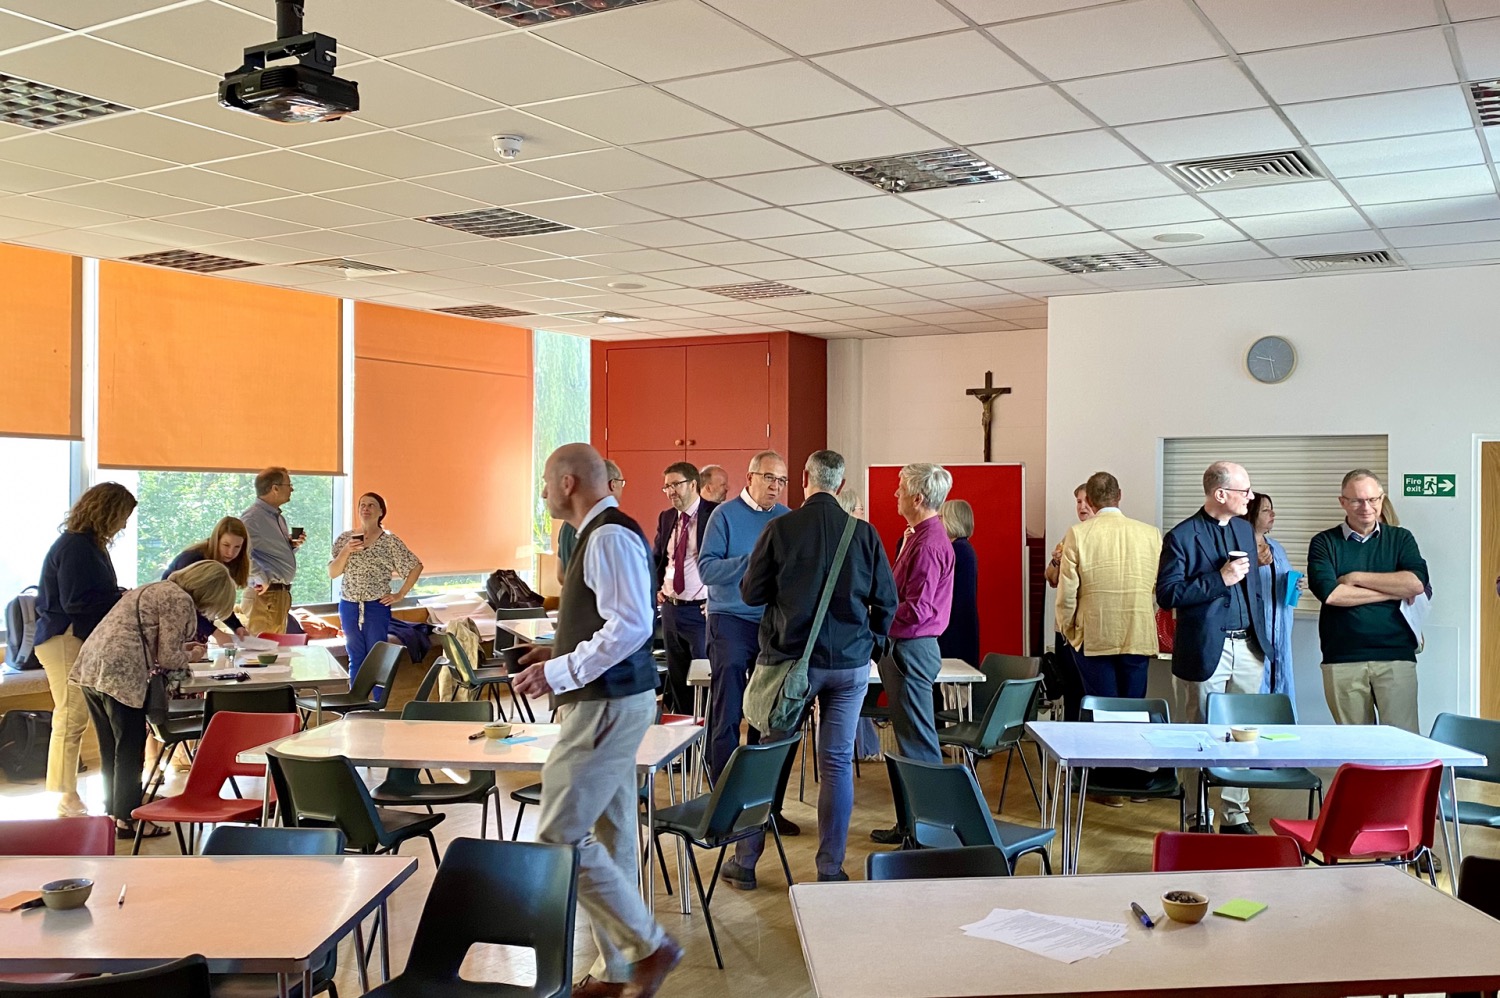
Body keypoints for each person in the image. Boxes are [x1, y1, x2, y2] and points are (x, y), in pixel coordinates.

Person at [510, 444, 681, 998]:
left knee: (560, 835)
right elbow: (606, 619)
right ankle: (620, 971)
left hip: (606, 705)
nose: (540, 491)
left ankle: (648, 945)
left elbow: (630, 625)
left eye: (543, 480)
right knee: (610, 836)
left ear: (566, 483)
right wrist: (556, 652)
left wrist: (560, 671)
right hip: (609, 700)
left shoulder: (606, 534)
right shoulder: (599, 533)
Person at [719, 449, 896, 889]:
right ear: (839, 486)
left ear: (804, 479)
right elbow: (887, 602)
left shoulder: (781, 528)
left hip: (791, 667)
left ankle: (745, 863)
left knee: (770, 758)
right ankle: (830, 869)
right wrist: (872, 643)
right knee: (836, 763)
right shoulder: (865, 534)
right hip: (850, 666)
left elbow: (751, 593)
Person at [71, 560, 235, 840]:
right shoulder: (180, 599)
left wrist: (182, 649)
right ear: (210, 592)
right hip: (122, 672)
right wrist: (192, 655)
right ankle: (129, 818)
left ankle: (114, 813)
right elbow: (170, 658)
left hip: (91, 666)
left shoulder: (154, 588)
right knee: (130, 748)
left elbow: (149, 637)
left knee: (111, 747)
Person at [1156, 462, 1271, 833]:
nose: (1250, 498)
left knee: (1242, 735)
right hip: (1206, 650)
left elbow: (1253, 590)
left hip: (1248, 646)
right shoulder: (1182, 536)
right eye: (1245, 491)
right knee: (1199, 734)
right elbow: (1168, 593)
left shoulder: (1243, 528)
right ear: (1221, 494)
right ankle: (1197, 814)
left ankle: (1235, 815)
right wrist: (1218, 579)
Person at [33, 482, 136, 819]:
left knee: (73, 715)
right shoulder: (78, 547)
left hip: (71, 637)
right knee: (71, 715)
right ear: (108, 512)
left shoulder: (88, 545)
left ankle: (68, 793)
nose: (123, 525)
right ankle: (66, 795)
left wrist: (116, 595)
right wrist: (118, 599)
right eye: (122, 517)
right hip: (64, 637)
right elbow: (76, 601)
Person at [1307, 469, 1429, 733]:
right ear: (1342, 502)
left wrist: (1354, 577)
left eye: (1373, 499)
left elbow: (1415, 584)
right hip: (1342, 658)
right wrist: (1391, 590)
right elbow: (1332, 595)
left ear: (1382, 499)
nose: (1366, 507)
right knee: (1355, 744)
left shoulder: (1401, 538)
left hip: (1396, 656)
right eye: (1357, 500)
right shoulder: (1324, 543)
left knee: (1403, 743)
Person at [697, 451, 791, 788]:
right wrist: (752, 562)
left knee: (764, 714)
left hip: (772, 623)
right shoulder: (724, 515)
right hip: (730, 620)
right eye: (769, 478)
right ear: (750, 477)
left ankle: (756, 796)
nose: (775, 486)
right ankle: (722, 792)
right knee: (730, 709)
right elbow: (706, 569)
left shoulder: (786, 518)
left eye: (781, 480)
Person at [1058, 472, 1162, 700]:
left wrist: (1068, 629)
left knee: (1102, 709)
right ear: (1120, 496)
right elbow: (1156, 587)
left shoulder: (1078, 534)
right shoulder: (1151, 534)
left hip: (1094, 634)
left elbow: (1067, 594)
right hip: (1137, 632)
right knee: (1133, 708)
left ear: (1091, 502)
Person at [329, 492, 423, 684]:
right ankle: (357, 703)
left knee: (377, 655)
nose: (366, 508)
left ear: (381, 512)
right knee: (355, 655)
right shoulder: (344, 539)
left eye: (371, 505)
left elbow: (415, 566)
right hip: (349, 604)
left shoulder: (389, 541)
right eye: (362, 505)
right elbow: (333, 572)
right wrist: (347, 550)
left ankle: (378, 704)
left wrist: (400, 594)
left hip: (376, 605)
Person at [651, 462, 717, 716]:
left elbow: (727, 560)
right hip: (671, 610)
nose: (670, 491)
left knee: (703, 680)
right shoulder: (667, 517)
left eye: (675, 484)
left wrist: (717, 597)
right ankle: (683, 748)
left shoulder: (714, 514)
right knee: (677, 681)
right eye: (666, 486)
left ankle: (705, 744)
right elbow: (660, 557)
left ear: (692, 484)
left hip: (700, 612)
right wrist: (657, 586)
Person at [1239, 493, 1305, 707]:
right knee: (1255, 684)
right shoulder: (1238, 548)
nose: (1273, 514)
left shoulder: (1276, 548)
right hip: (1254, 631)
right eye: (1266, 510)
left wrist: (1294, 586)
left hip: (1280, 628)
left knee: (1280, 678)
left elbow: (1277, 582)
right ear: (1251, 513)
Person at [839, 488, 882, 762]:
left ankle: (864, 746)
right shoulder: (859, 543)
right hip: (853, 635)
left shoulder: (865, 539)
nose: (863, 513)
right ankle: (859, 748)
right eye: (858, 508)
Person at [162, 516, 252, 645]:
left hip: (193, 625)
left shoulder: (229, 562)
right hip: (173, 619)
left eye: (237, 547)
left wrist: (237, 627)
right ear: (216, 540)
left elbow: (219, 603)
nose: (230, 552)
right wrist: (215, 632)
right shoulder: (194, 559)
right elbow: (185, 606)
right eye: (226, 545)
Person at [1045, 484, 1093, 722]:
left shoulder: (1097, 536)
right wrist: (1056, 562)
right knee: (1069, 687)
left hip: (1086, 626)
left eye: (1086, 501)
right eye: (1078, 501)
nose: (1081, 506)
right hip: (1063, 627)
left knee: (1087, 688)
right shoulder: (1070, 534)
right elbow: (1051, 579)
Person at [241, 467, 305, 635]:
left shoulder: (277, 518)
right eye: (289, 484)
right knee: (260, 653)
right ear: (275, 488)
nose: (292, 489)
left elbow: (267, 553)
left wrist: (291, 546)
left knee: (275, 653)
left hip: (279, 595)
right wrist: (260, 578)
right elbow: (241, 554)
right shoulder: (252, 518)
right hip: (264, 595)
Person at [558, 459, 624, 583]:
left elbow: (560, 574)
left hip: (571, 598)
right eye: (622, 482)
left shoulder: (567, 524)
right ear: (613, 484)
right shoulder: (609, 526)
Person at [938, 499, 980, 668]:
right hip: (960, 627)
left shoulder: (957, 550)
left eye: (941, 517)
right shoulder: (964, 548)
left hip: (954, 631)